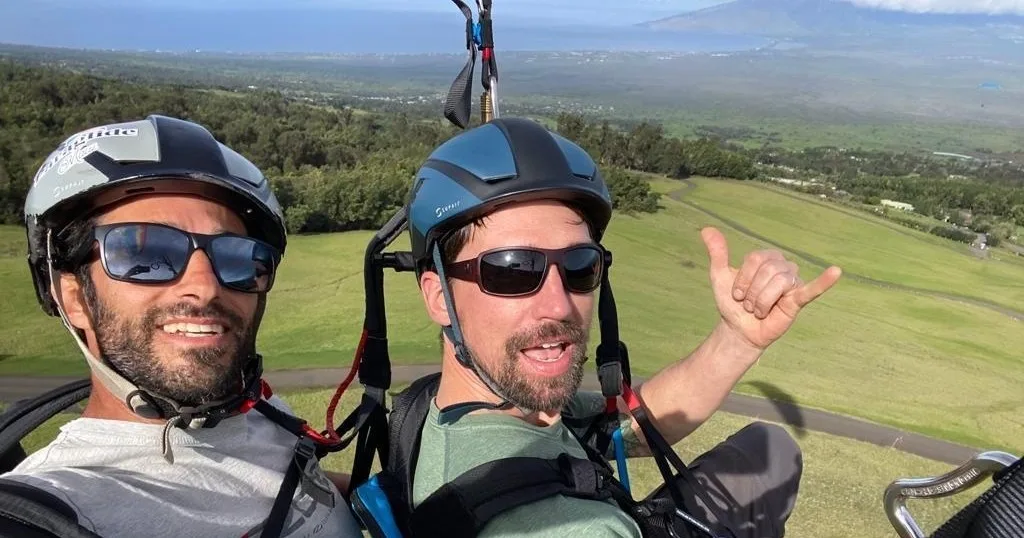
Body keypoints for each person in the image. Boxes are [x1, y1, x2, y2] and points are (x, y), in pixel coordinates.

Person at [403, 117, 843, 537]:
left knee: (770, 451)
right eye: (513, 271)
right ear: (439, 297)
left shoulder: (466, 406)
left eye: (578, 265)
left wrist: (739, 338)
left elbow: (632, 425)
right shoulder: (572, 528)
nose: (559, 305)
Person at [1, 115, 363, 538]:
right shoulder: (63, 506)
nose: (205, 287)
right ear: (73, 297)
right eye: (145, 251)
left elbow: (296, 492)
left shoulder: (263, 414)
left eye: (237, 256)